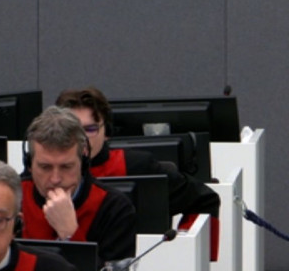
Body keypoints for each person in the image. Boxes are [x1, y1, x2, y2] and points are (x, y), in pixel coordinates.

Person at [55, 87, 220, 218]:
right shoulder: (43, 173)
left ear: (107, 132)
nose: (81, 138)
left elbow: (205, 200)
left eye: (90, 129)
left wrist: (187, 249)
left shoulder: (136, 165)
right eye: (73, 130)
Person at [21, 106, 136, 263]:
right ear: (29, 164)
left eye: (66, 167)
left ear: (83, 162)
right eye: (45, 167)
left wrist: (69, 234)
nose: (55, 179)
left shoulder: (114, 208)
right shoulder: (11, 200)